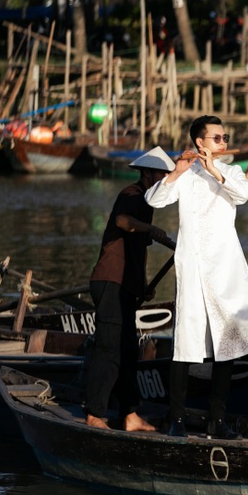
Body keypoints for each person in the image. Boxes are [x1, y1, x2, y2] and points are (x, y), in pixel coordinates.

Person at [145, 116, 248, 439]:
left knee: (226, 347)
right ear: (200, 142)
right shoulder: (186, 175)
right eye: (216, 138)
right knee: (184, 346)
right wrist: (175, 172)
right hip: (192, 269)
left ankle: (217, 421)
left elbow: (245, 194)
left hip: (225, 271)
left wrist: (217, 172)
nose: (223, 143)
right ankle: (176, 419)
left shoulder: (231, 172)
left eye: (225, 137)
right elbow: (153, 200)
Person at [84, 147, 175, 432]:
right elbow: (122, 222)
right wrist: (151, 229)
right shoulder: (132, 195)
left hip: (126, 286)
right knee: (108, 349)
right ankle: (94, 413)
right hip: (110, 282)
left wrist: (143, 285)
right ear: (147, 174)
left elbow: (138, 253)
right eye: (160, 174)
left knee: (126, 352)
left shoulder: (146, 202)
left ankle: (130, 414)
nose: (163, 179)